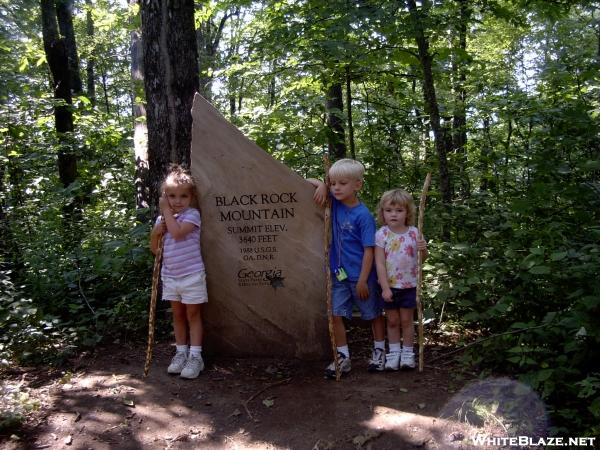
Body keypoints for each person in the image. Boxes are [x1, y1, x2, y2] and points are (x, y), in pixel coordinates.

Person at [309, 158, 386, 379]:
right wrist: (321, 185)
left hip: (361, 277)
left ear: (358, 185)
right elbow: (307, 181)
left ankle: (379, 351)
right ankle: (342, 356)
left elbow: (369, 251)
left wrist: (363, 280)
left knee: (372, 314)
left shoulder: (363, 216)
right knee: (335, 314)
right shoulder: (334, 202)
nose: (336, 188)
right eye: (333, 183)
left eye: (342, 183)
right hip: (339, 275)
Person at [150, 165, 208, 379]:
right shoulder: (162, 221)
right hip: (171, 276)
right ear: (165, 196)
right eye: (172, 196)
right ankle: (180, 352)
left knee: (193, 314)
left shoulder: (192, 215)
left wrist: (165, 210)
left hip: (192, 275)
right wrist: (156, 232)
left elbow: (176, 234)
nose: (177, 201)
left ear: (191, 197)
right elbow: (156, 250)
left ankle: (196, 357)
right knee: (178, 315)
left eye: (183, 196)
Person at [374, 188, 427, 370]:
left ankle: (407, 354)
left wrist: (424, 249)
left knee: (406, 321)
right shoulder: (382, 234)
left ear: (407, 213)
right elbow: (379, 263)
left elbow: (422, 260)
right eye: (389, 211)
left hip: (409, 285)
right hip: (390, 286)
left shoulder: (414, 233)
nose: (393, 215)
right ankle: (394, 354)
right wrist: (385, 287)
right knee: (393, 321)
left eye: (399, 211)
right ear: (383, 213)